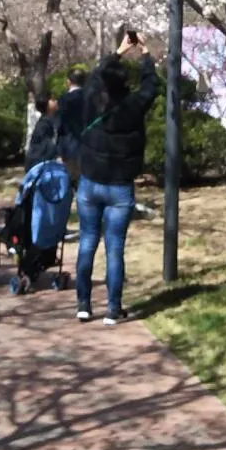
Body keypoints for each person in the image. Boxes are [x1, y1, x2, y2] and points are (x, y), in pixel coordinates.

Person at [75, 34, 159, 326]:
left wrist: (118, 52)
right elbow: (152, 86)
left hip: (90, 182)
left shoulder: (92, 97)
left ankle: (83, 305)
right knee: (114, 247)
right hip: (120, 185)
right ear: (125, 81)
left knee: (87, 240)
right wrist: (146, 54)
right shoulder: (134, 105)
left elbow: (97, 75)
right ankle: (113, 308)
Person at [23, 93, 65, 171]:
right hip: (38, 165)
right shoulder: (43, 124)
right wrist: (57, 156)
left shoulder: (53, 119)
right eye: (52, 100)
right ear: (47, 105)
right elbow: (47, 143)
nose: (56, 101)